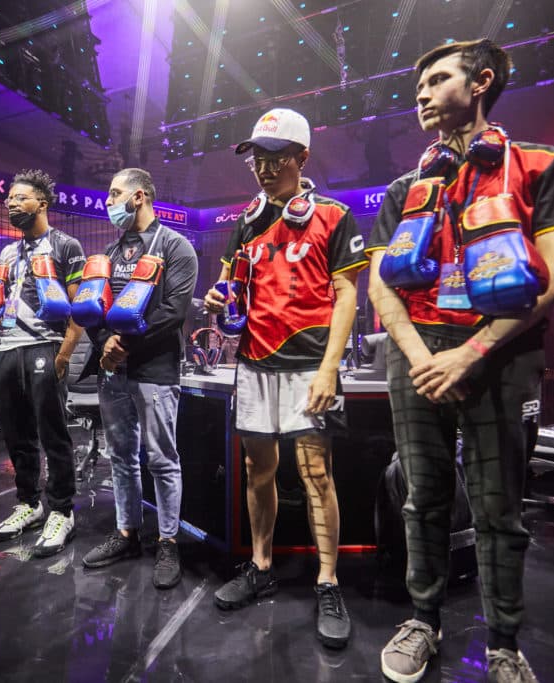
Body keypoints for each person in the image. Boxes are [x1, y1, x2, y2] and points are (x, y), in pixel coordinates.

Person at [367, 39, 554, 683]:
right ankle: (423, 619)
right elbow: (381, 285)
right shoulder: (402, 189)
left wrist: (471, 351)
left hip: (500, 359)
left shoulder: (543, 165)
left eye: (436, 78)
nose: (419, 92)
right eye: (417, 82)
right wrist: (420, 356)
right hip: (417, 359)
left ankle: (502, 644)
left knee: (499, 509)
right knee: (422, 500)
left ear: (481, 83)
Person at [203, 108, 368, 648]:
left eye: (276, 158)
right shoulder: (245, 222)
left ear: (302, 158)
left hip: (308, 365)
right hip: (252, 362)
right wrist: (216, 297)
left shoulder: (334, 215)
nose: (264, 168)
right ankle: (261, 565)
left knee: (316, 474)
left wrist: (330, 368)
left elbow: (347, 294)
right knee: (258, 469)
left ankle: (327, 581)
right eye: (258, 158)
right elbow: (227, 288)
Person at [79, 167, 198, 590]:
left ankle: (167, 541)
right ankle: (127, 532)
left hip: (156, 370)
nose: (108, 202)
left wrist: (122, 345)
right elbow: (91, 307)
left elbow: (172, 314)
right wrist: (103, 344)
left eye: (114, 193)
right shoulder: (109, 254)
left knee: (162, 459)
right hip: (112, 373)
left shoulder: (176, 247)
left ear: (140, 197)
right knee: (121, 458)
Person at [0, 169, 86, 558]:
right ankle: (29, 503)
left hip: (45, 345)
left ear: (41, 203)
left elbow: (78, 308)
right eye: (8, 198)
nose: (10, 203)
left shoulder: (65, 244)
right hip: (7, 350)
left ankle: (61, 511)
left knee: (52, 433)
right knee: (16, 434)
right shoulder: (8, 252)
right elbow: (1, 302)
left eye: (19, 197)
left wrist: (64, 354)